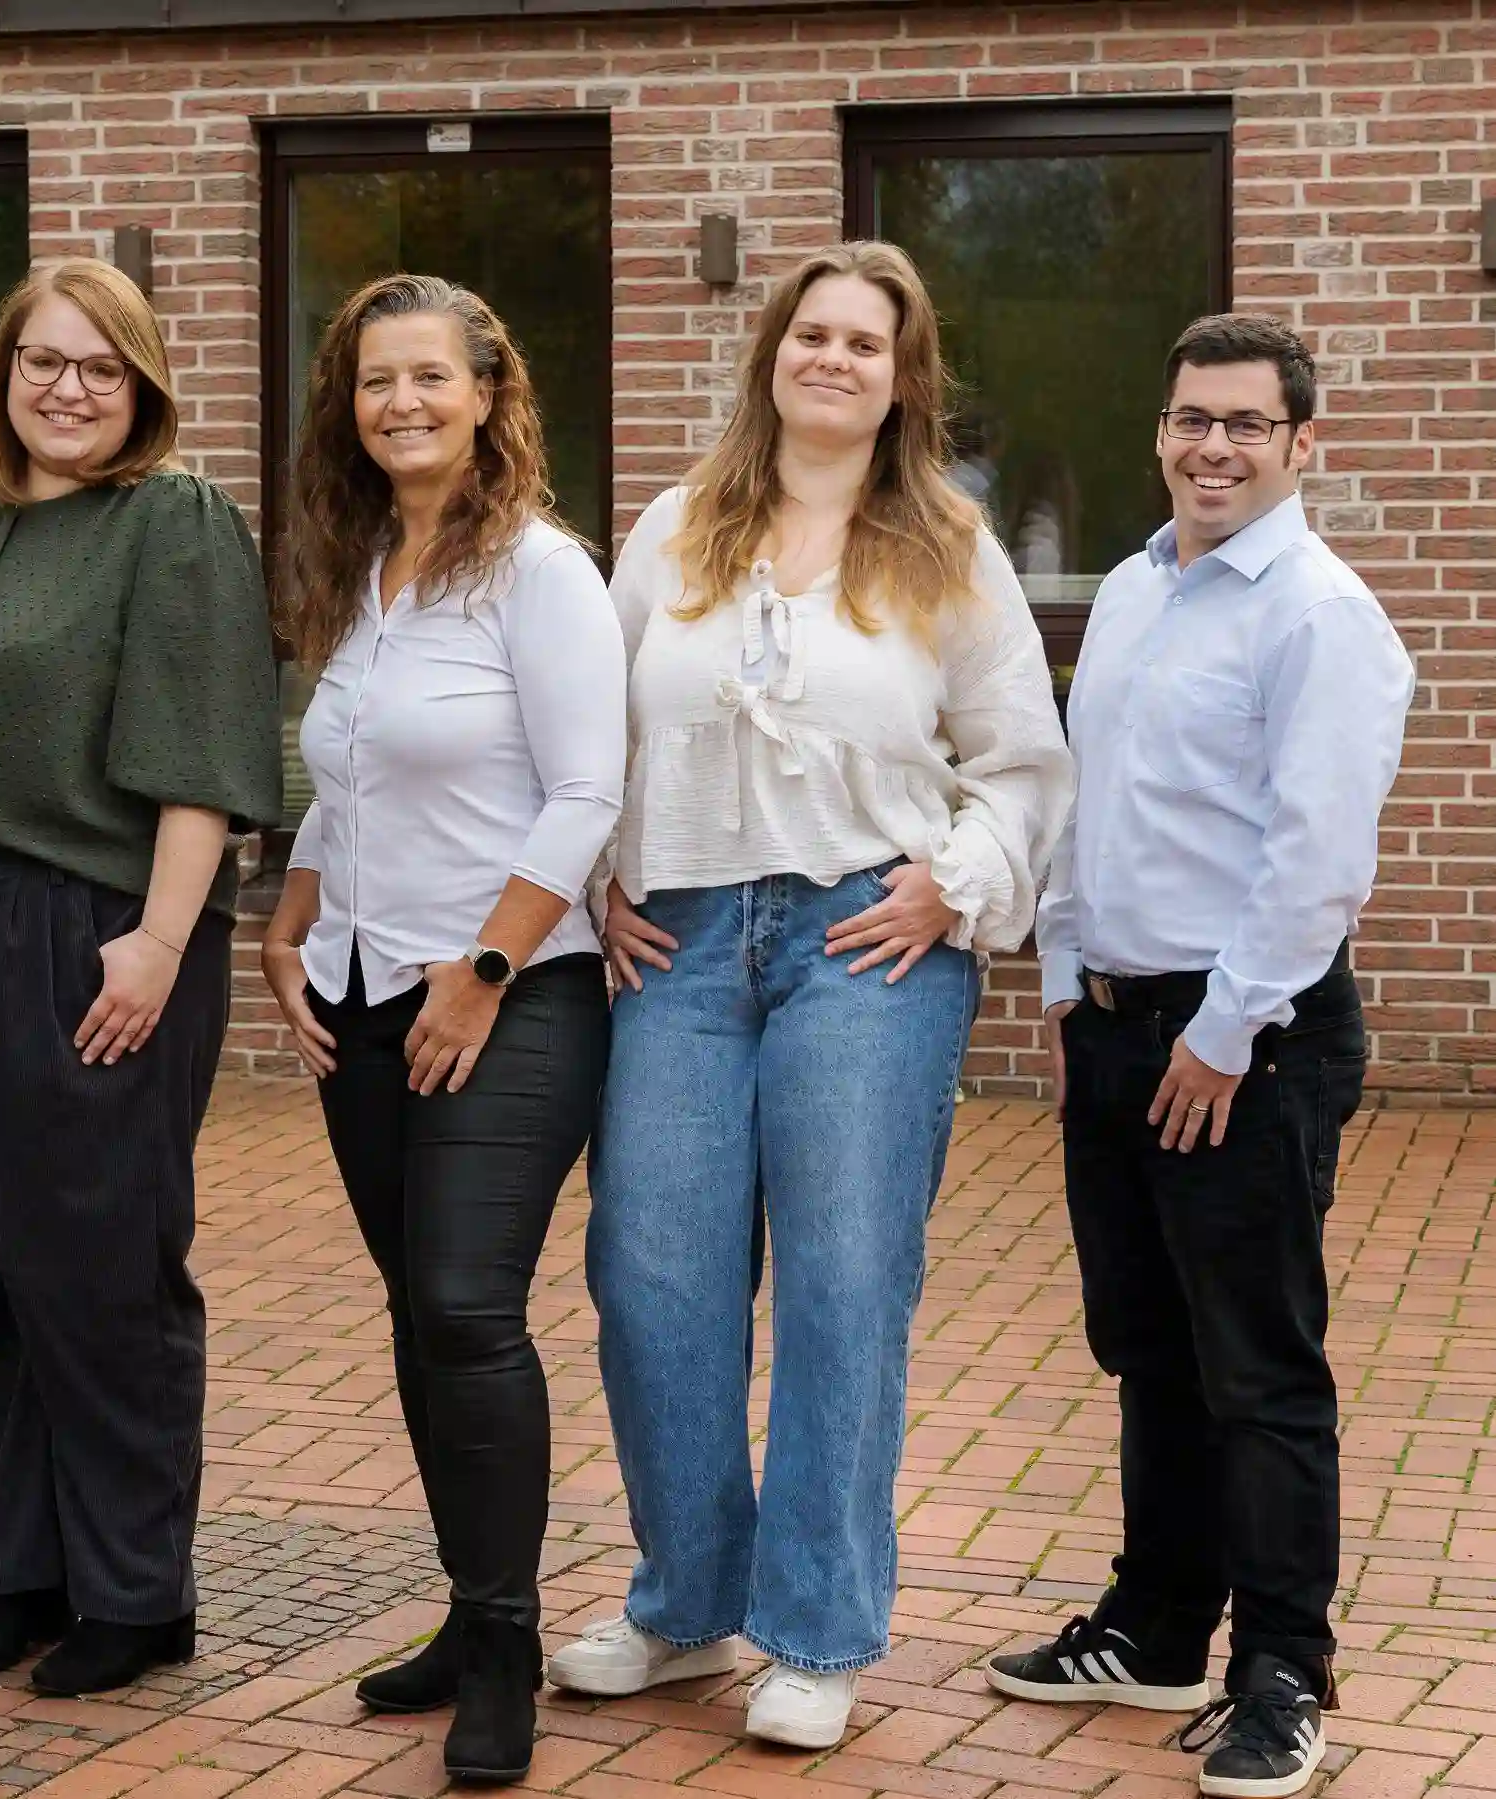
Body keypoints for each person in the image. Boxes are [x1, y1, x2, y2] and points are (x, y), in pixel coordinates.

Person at [547, 242, 1072, 1749]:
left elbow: (1023, 759)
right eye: (813, 333)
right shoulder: (674, 529)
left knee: (844, 1284)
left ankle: (818, 1631)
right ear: (772, 352)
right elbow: (594, 733)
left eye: (865, 342)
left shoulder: (947, 546)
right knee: (650, 1274)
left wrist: (954, 881)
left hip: (864, 942)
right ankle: (684, 1603)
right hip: (681, 943)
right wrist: (598, 877)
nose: (833, 358)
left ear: (903, 380)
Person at [987, 314, 1412, 1799]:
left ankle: (1283, 1670)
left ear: (1302, 443)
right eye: (1190, 419)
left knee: (1257, 1365)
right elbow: (1086, 798)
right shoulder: (1130, 587)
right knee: (1147, 1345)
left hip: (1248, 1038)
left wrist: (1224, 1034)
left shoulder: (1319, 615)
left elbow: (1317, 858)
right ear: (1160, 431)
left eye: (1245, 423)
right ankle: (1160, 1625)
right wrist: (1065, 988)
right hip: (1117, 1026)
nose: (1212, 447)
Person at [0, 259, 282, 1698]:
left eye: (100, 368)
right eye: (42, 361)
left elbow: (206, 760)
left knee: (99, 1267)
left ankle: (134, 1589)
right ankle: (27, 1567)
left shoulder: (169, 520)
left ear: (142, 385)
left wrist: (161, 942)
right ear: (5, 371)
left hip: (90, 928)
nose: (66, 390)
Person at [260, 273, 624, 1786]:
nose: (399, 402)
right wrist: (286, 921)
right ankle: (473, 1618)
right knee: (420, 1311)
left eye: (428, 377)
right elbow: (346, 785)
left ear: (487, 394)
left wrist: (481, 967)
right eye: (373, 381)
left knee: (469, 1306)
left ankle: (507, 1646)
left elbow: (586, 792)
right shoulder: (363, 572)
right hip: (359, 997)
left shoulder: (539, 571)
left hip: (508, 997)